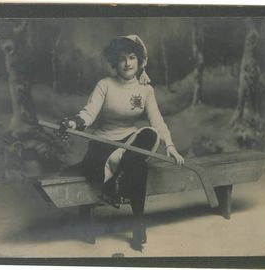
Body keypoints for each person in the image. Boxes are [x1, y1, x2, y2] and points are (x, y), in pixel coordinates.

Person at [57, 35, 185, 251]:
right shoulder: (104, 85)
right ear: (114, 62)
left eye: (132, 57)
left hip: (130, 143)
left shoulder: (146, 90)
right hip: (103, 144)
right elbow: (89, 113)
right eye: (122, 59)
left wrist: (170, 146)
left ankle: (136, 222)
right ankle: (134, 216)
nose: (127, 64)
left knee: (148, 134)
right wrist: (73, 122)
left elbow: (157, 121)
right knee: (139, 166)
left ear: (140, 60)